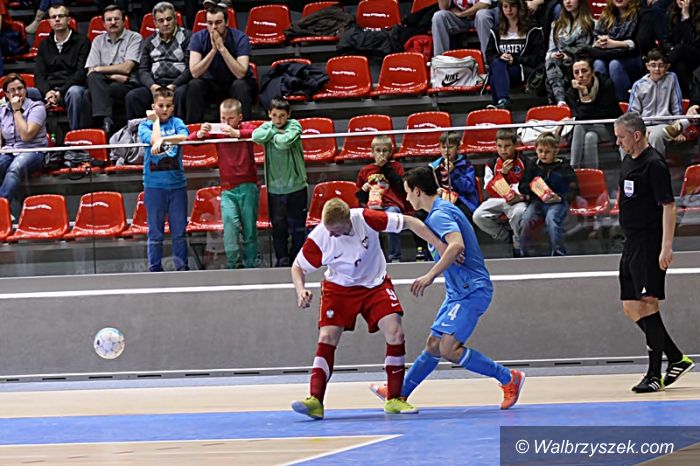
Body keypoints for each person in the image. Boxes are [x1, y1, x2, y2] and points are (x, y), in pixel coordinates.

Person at [367, 166, 525, 412]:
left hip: (471, 291)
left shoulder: (439, 215)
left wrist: (430, 275)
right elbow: (452, 246)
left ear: (417, 191)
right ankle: (400, 392)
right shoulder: (440, 210)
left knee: (449, 349)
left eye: (407, 192)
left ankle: (508, 378)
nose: (406, 197)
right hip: (458, 292)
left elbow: (457, 245)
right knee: (434, 345)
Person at [290, 197, 449, 419]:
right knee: (327, 337)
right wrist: (301, 290)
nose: (332, 235)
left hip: (375, 284)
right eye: (329, 230)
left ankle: (394, 399)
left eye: (336, 231)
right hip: (339, 288)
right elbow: (297, 267)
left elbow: (411, 222)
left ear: (348, 221)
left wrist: (440, 246)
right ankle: (315, 400)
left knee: (396, 333)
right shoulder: (320, 237)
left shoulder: (367, 219)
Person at [614, 111, 694, 392]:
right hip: (631, 242)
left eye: (621, 137)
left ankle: (653, 375)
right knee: (630, 305)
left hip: (650, 242)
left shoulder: (654, 164)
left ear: (636, 135)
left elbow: (668, 206)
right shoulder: (628, 160)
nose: (618, 142)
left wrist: (666, 246)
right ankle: (676, 358)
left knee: (648, 303)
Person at [188, 98, 259, 269]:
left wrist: (238, 134)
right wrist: (200, 133)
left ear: (240, 117)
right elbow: (191, 140)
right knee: (230, 227)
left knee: (250, 230)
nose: (226, 123)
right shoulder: (218, 131)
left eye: (231, 119)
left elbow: (259, 133)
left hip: (249, 186)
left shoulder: (247, 128)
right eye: (222, 118)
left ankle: (252, 265)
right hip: (227, 189)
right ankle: (233, 264)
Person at [138, 87, 189, 272]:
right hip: (154, 186)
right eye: (161, 106)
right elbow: (154, 141)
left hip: (177, 186)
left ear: (173, 107)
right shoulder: (145, 126)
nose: (165, 109)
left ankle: (182, 268)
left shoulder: (177, 122)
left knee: (179, 232)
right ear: (153, 107)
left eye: (168, 106)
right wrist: (156, 122)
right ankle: (154, 269)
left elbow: (184, 137)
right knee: (155, 232)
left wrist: (164, 141)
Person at [252, 97, 306, 267]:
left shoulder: (295, 125)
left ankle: (297, 259)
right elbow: (255, 136)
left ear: (288, 114)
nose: (278, 120)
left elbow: (285, 143)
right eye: (274, 115)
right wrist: (276, 132)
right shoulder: (268, 126)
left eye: (282, 116)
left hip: (297, 187)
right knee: (278, 227)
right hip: (275, 189)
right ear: (269, 114)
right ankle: (281, 260)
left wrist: (271, 135)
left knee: (298, 227)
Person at [186, 4, 257, 122]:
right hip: (211, 84)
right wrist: (213, 50)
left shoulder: (240, 38)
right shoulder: (198, 38)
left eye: (218, 22)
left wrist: (222, 48)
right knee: (194, 84)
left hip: (234, 83)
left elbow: (240, 73)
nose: (214, 27)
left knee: (241, 85)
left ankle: (244, 127)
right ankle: (194, 127)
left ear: (227, 22)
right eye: (210, 23)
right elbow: (195, 72)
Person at [126, 1, 192, 121]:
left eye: (169, 19)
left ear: (175, 19)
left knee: (182, 93)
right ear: (155, 23)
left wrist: (174, 85)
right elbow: (143, 70)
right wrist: (152, 86)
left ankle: (180, 129)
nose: (165, 24)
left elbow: (190, 68)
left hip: (178, 84)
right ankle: (137, 130)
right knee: (133, 96)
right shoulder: (149, 41)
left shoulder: (187, 37)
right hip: (156, 84)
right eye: (161, 21)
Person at [84, 4, 142, 134]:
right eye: (109, 20)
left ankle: (100, 128)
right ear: (103, 24)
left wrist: (99, 69)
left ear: (124, 20)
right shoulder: (98, 40)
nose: (113, 22)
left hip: (127, 84)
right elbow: (90, 71)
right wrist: (113, 76)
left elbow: (127, 68)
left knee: (91, 93)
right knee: (92, 82)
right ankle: (105, 121)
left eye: (116, 19)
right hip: (107, 82)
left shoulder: (134, 37)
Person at [518, 132, 579, 256]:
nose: (543, 155)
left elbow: (574, 188)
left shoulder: (564, 167)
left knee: (551, 219)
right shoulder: (533, 166)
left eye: (547, 152)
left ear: (556, 151)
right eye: (540, 151)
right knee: (525, 220)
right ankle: (524, 252)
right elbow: (522, 186)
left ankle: (558, 252)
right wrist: (532, 189)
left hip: (557, 202)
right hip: (537, 201)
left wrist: (560, 198)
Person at [473, 129, 528, 257]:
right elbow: (489, 189)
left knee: (519, 213)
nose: (503, 150)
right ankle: (505, 236)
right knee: (478, 216)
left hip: (517, 200)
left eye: (507, 146)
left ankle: (518, 241)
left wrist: (520, 196)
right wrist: (502, 173)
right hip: (496, 199)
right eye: (499, 146)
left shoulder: (524, 161)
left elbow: (528, 184)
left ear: (515, 145)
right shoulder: (491, 163)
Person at [34, 4, 90, 131]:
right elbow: (39, 75)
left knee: (75, 93)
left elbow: (81, 74)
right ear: (49, 22)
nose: (57, 19)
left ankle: (76, 136)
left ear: (68, 20)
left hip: (71, 88)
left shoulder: (82, 41)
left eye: (61, 16)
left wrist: (60, 92)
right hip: (49, 90)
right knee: (24, 93)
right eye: (53, 17)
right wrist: (47, 92)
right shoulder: (44, 45)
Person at [485, 0, 545, 110]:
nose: (509, 10)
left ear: (519, 7)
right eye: (505, 6)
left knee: (494, 77)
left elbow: (539, 57)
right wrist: (500, 57)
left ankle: (500, 103)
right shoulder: (496, 30)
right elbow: (489, 55)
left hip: (524, 70)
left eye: (512, 6)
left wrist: (516, 59)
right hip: (503, 70)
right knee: (497, 63)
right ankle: (503, 102)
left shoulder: (533, 29)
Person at [355, 135, 406, 263]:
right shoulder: (365, 170)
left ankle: (395, 256)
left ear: (390, 152)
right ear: (372, 152)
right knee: (364, 219)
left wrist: (385, 168)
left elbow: (401, 188)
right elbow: (360, 198)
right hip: (372, 206)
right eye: (378, 150)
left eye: (385, 150)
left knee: (393, 215)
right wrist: (364, 190)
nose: (381, 154)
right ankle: (372, 257)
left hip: (391, 205)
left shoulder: (396, 167)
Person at [590, 0, 654, 101]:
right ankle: (603, 103)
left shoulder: (643, 13)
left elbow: (642, 43)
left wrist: (614, 44)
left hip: (634, 57)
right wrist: (600, 42)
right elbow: (597, 36)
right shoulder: (607, 13)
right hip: (609, 55)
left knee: (615, 65)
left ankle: (623, 103)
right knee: (598, 63)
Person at [565, 53, 622, 168]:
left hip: (610, 127)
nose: (580, 76)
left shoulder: (606, 84)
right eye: (576, 72)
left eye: (584, 71)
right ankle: (591, 173)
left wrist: (585, 95)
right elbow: (580, 116)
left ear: (592, 72)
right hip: (589, 129)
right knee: (590, 137)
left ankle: (573, 168)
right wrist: (583, 93)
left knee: (579, 126)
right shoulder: (571, 92)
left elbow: (605, 113)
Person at [627, 49, 686, 156]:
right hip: (644, 125)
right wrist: (641, 130)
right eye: (653, 65)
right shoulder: (638, 85)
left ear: (667, 66)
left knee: (655, 136)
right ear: (647, 66)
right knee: (627, 141)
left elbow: (676, 107)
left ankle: (656, 166)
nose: (657, 69)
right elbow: (633, 114)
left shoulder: (671, 79)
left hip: (664, 124)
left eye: (661, 65)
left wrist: (678, 130)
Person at [0, 74, 47, 204]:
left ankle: (2, 208)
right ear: (6, 94)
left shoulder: (37, 107)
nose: (17, 93)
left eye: (20, 88)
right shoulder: (2, 111)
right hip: (9, 150)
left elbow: (26, 135)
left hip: (33, 151)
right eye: (12, 90)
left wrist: (16, 111)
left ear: (26, 89)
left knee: (15, 168)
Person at [545, 0, 594, 106]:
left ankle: (560, 100)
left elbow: (586, 48)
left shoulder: (589, 23)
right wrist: (555, 54)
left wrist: (568, 55)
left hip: (580, 58)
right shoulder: (557, 24)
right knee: (551, 60)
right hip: (560, 59)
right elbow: (551, 49)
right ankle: (560, 100)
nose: (568, 1)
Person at [432, 0, 498, 58]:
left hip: (484, 15)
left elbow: (485, 4)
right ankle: (440, 61)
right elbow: (443, 8)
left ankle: (487, 60)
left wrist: (462, 14)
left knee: (482, 15)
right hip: (462, 19)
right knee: (439, 16)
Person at [664, 0, 700, 96]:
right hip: (677, 55)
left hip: (697, 54)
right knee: (680, 66)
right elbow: (666, 39)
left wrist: (686, 17)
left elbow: (693, 42)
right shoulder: (671, 11)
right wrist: (671, 48)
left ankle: (659, 71)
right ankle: (686, 98)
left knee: (680, 49)